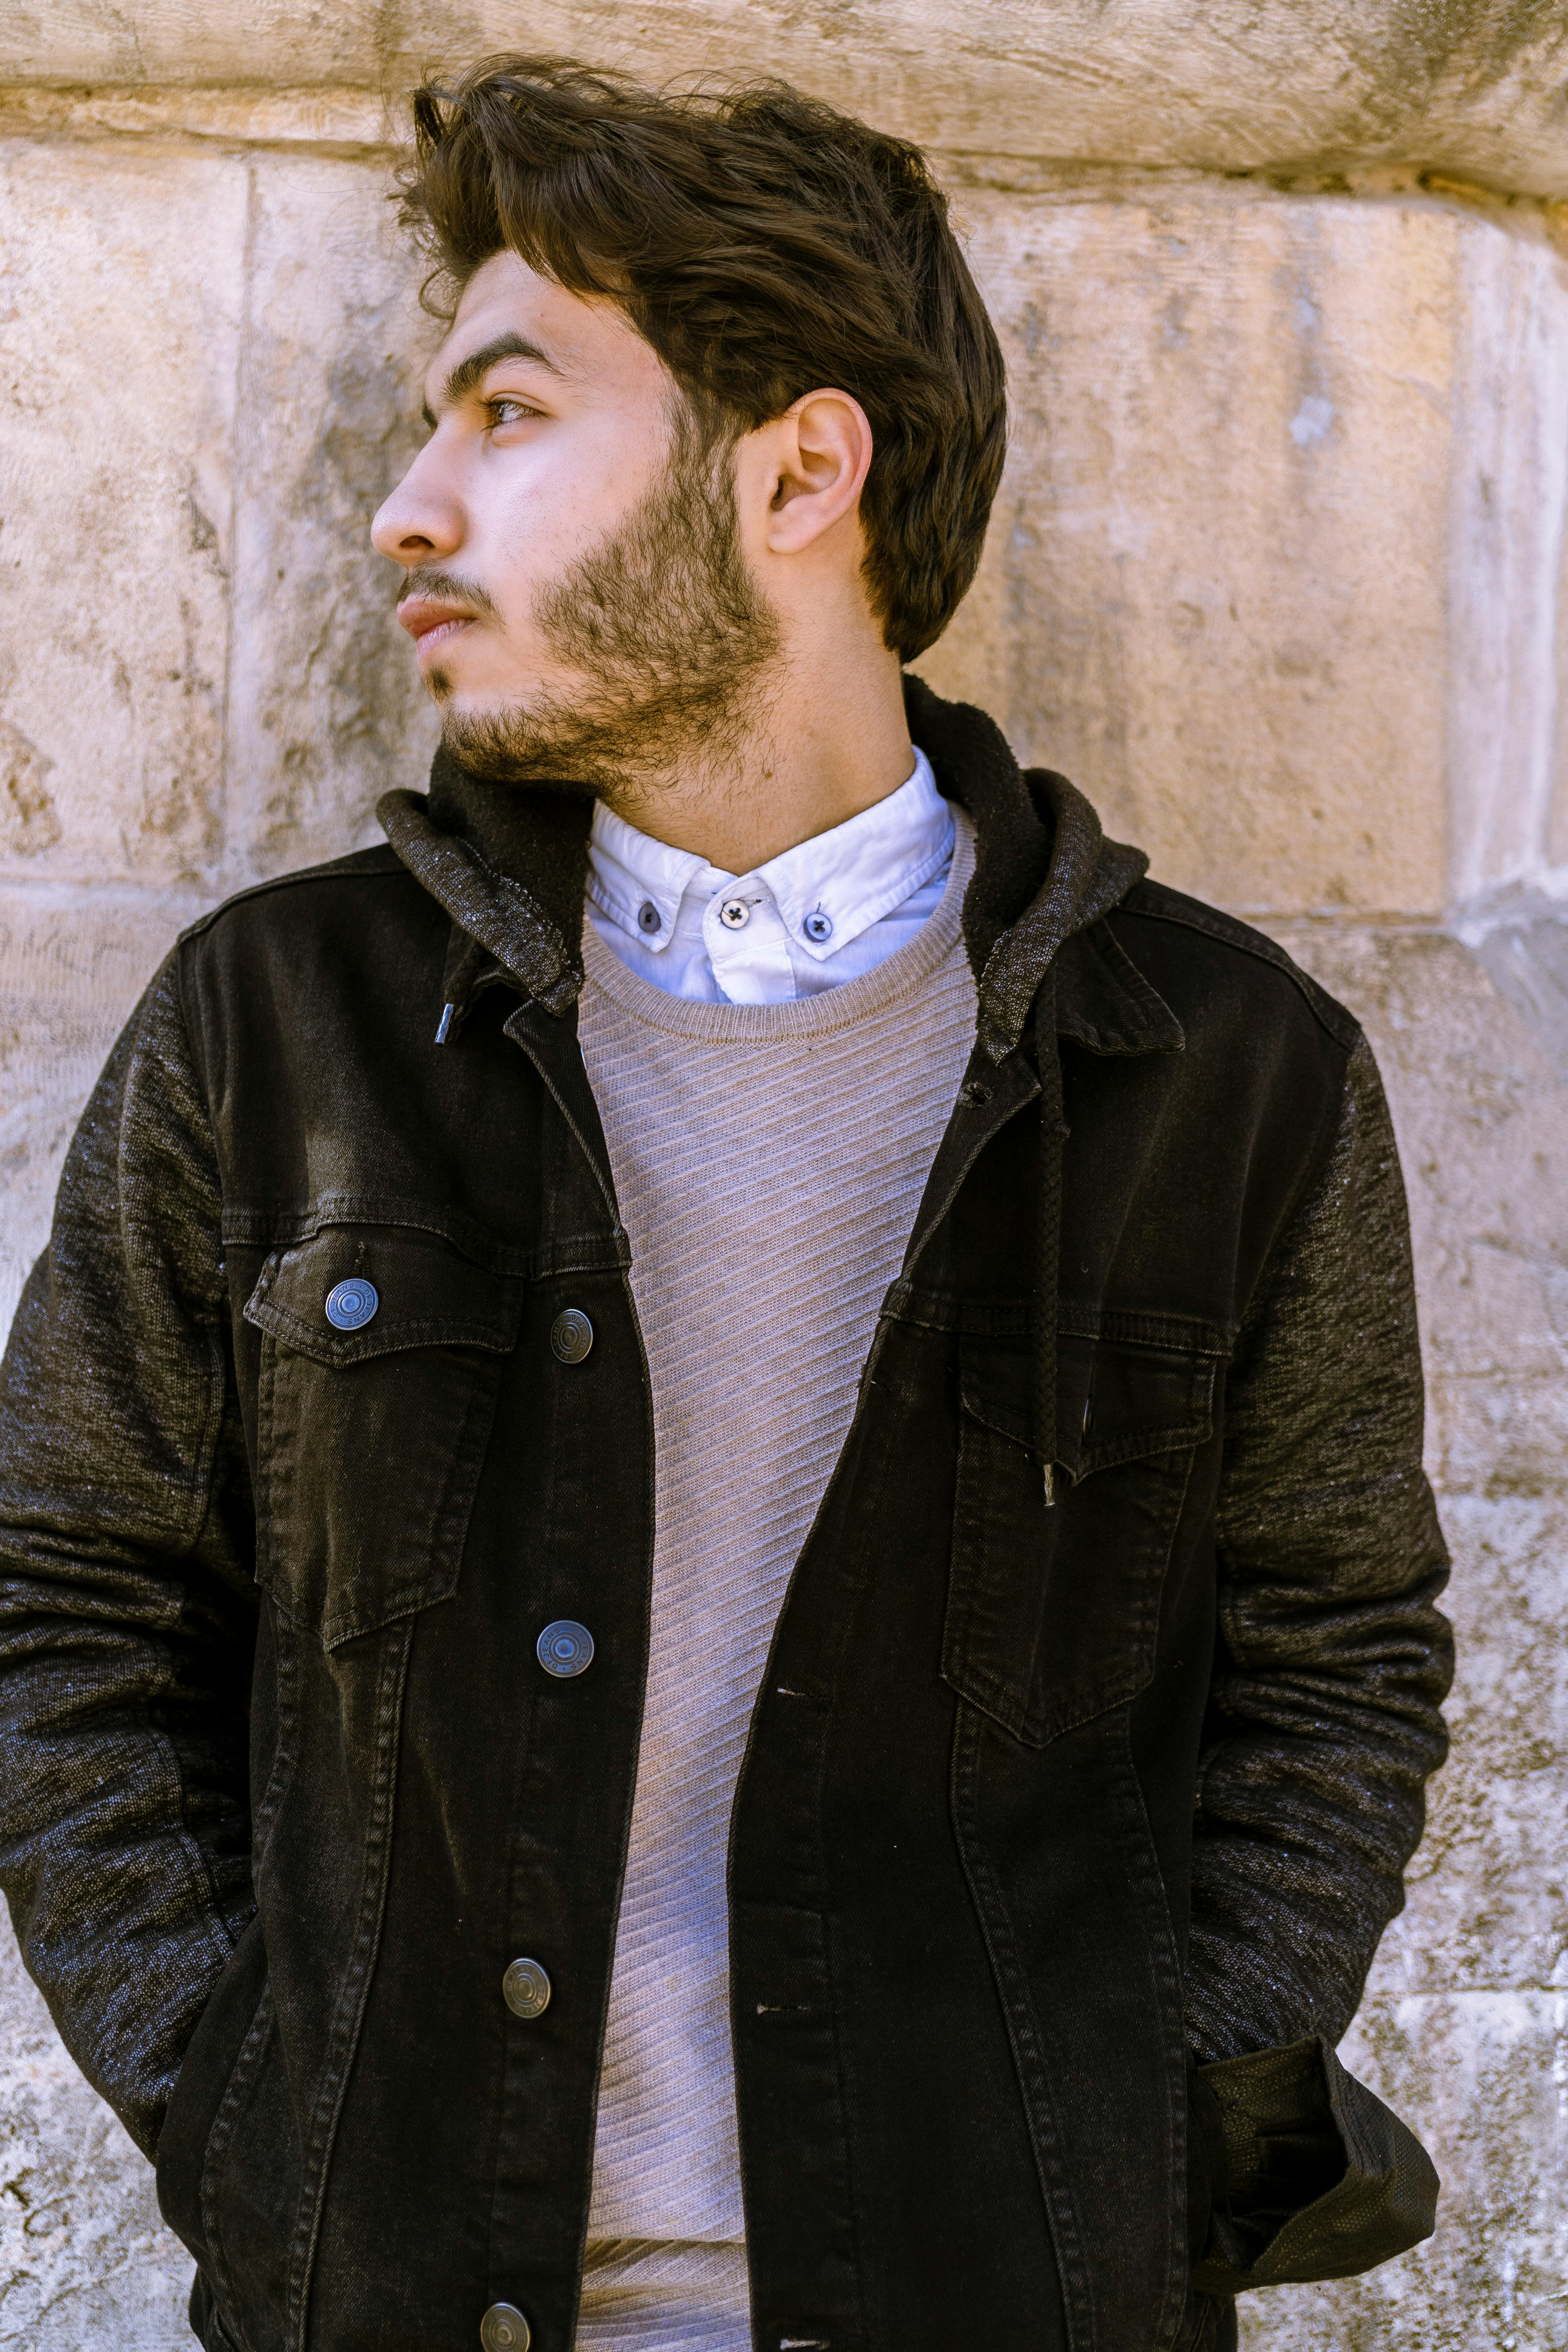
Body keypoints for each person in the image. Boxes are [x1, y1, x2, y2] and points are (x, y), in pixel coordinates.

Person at [0, 54, 1454, 2352]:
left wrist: (1137, 2129)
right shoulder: (275, 1034)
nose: (405, 506)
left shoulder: (1228, 1079)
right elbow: (61, 1607)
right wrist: (249, 2107)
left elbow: (1334, 1662)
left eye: (503, 414)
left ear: (798, 467)